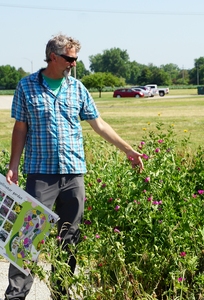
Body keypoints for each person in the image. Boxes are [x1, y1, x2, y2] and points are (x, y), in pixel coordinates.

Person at [4, 34, 144, 300]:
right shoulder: (26, 87)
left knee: (69, 239)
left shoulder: (77, 88)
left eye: (76, 59)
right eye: (70, 59)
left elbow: (99, 124)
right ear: (53, 57)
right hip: (41, 175)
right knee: (28, 238)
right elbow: (20, 127)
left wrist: (128, 150)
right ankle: (15, 297)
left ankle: (61, 293)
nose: (73, 64)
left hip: (73, 175)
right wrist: (14, 166)